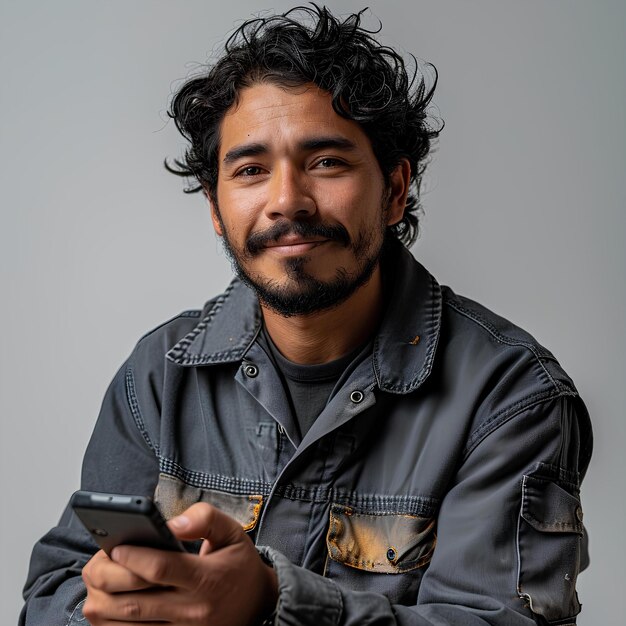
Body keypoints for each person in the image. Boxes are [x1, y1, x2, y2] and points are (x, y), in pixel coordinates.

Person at [21, 5, 592, 626]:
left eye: (327, 162)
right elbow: (55, 588)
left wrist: (271, 603)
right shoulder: (159, 376)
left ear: (396, 191)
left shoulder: (511, 398)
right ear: (216, 207)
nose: (287, 200)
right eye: (250, 170)